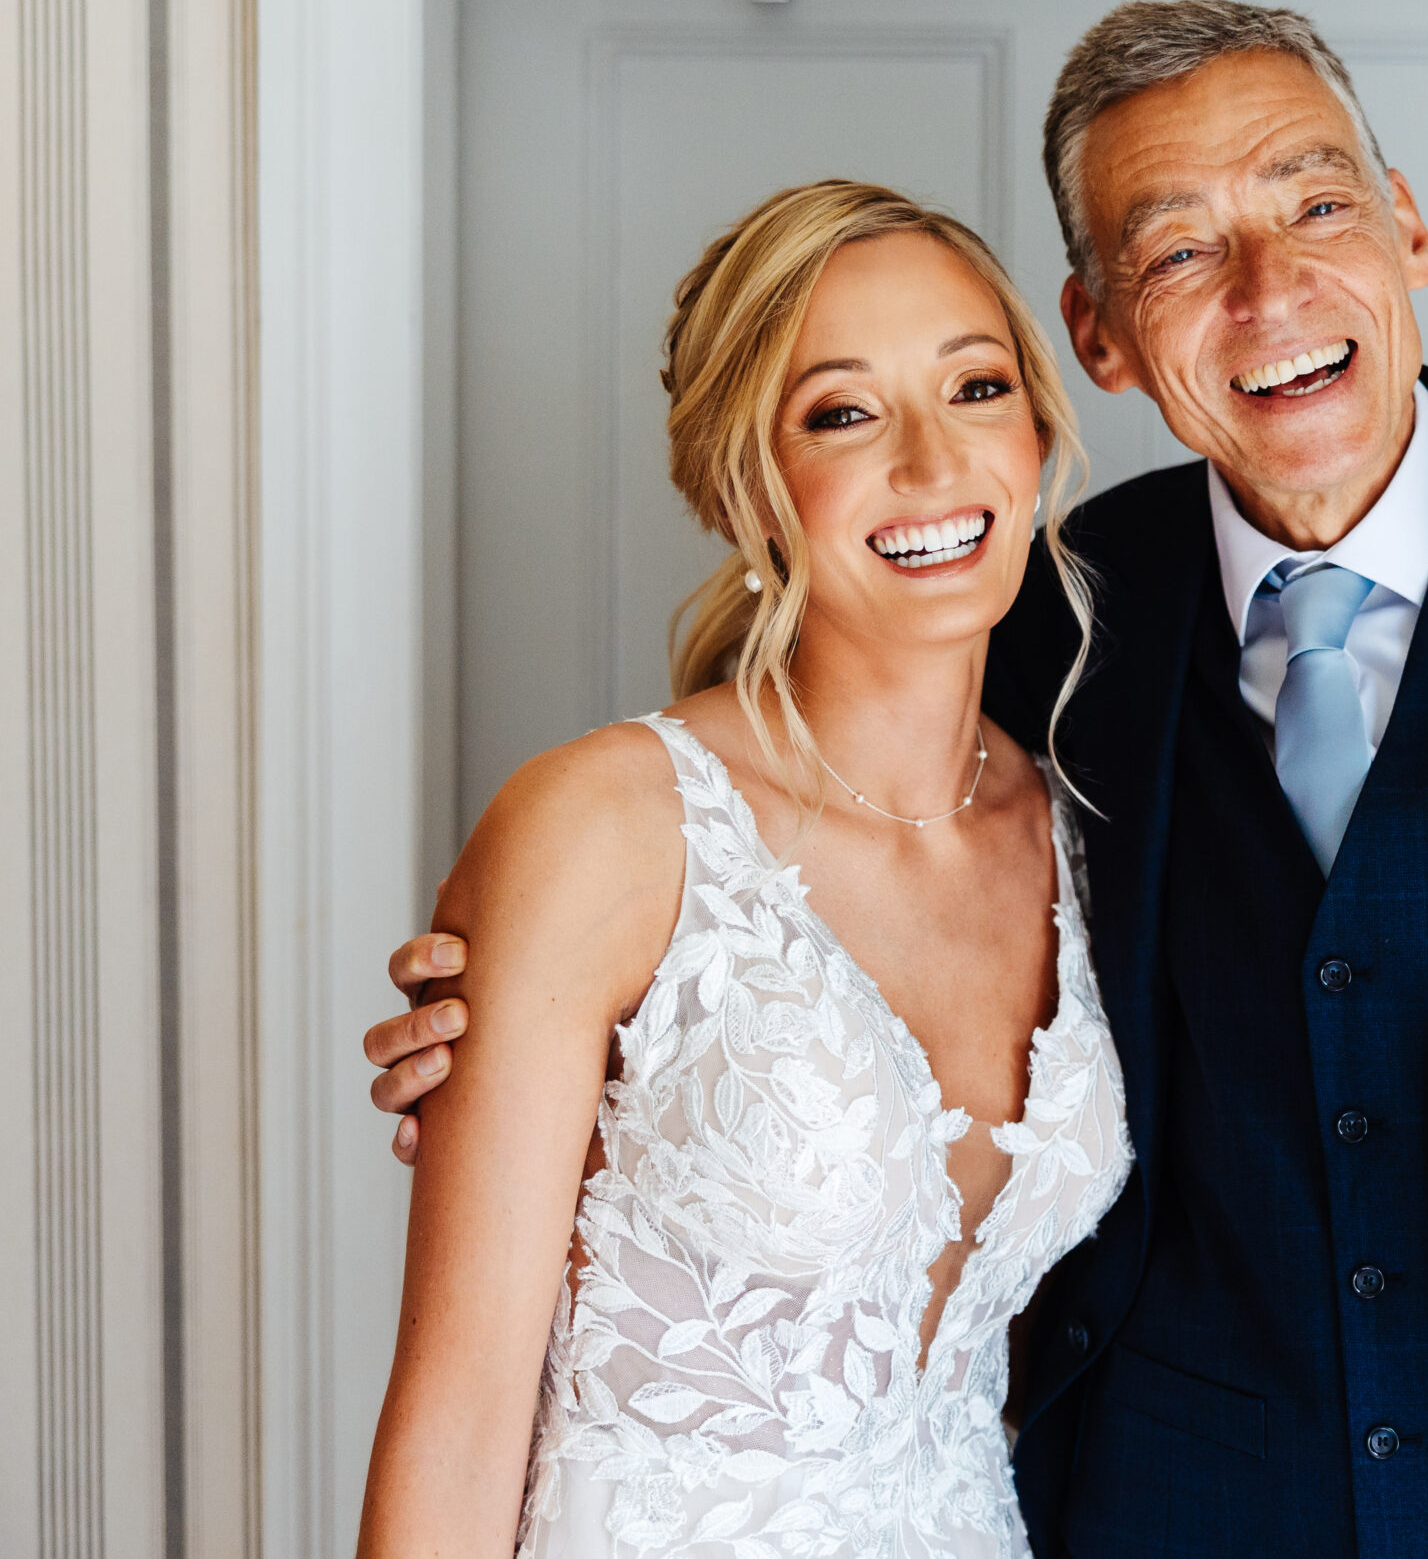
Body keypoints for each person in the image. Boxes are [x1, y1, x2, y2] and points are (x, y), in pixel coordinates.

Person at [370, 1, 1428, 1556]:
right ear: (1101, 335)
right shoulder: (1051, 613)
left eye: (1315, 202)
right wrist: (525, 1028)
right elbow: (790, 897)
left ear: (1406, 225)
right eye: (1178, 250)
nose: (1271, 292)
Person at [355, 181, 1131, 1559]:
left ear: (1038, 428)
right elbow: (461, 1414)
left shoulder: (1079, 824)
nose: (932, 461)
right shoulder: (604, 829)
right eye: (843, 411)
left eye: (976, 386)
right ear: (742, 484)